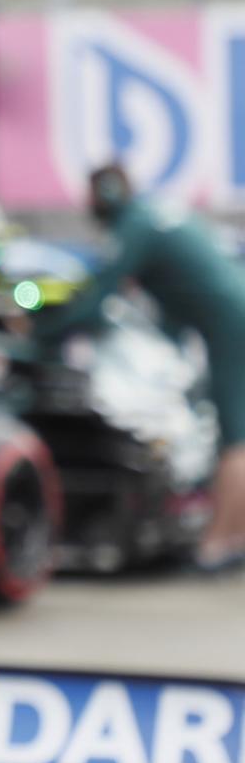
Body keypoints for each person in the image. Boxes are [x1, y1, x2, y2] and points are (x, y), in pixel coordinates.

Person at [35, 163, 245, 569]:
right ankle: (230, 538)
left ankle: (216, 547)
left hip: (232, 328)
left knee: (236, 439)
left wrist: (44, 331)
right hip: (229, 321)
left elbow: (99, 300)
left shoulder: (136, 226)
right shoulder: (158, 215)